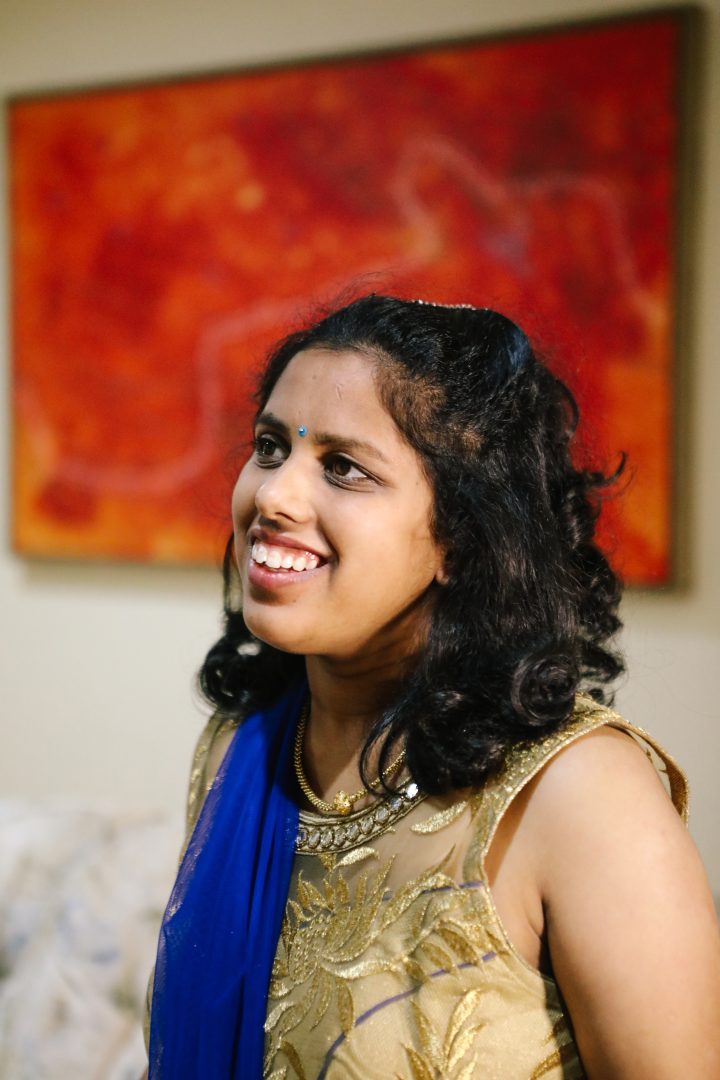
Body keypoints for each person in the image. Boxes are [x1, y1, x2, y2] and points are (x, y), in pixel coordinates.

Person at [146, 294, 720, 1079]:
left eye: (343, 467)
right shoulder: (242, 754)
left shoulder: (578, 797)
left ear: (462, 536)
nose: (273, 496)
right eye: (271, 446)